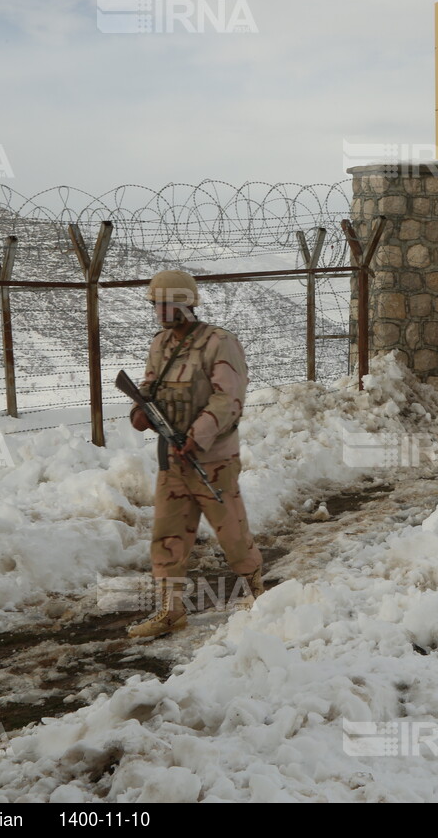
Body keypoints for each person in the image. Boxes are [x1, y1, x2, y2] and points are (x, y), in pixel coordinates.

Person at [126, 270, 263, 639]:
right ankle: (171, 611)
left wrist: (197, 435)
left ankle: (260, 597)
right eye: (156, 304)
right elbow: (148, 385)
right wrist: (140, 412)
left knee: (232, 532)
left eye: (165, 304)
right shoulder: (160, 345)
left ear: (185, 303)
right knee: (167, 536)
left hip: (214, 460)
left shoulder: (220, 343)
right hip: (172, 460)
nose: (159, 311)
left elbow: (228, 398)